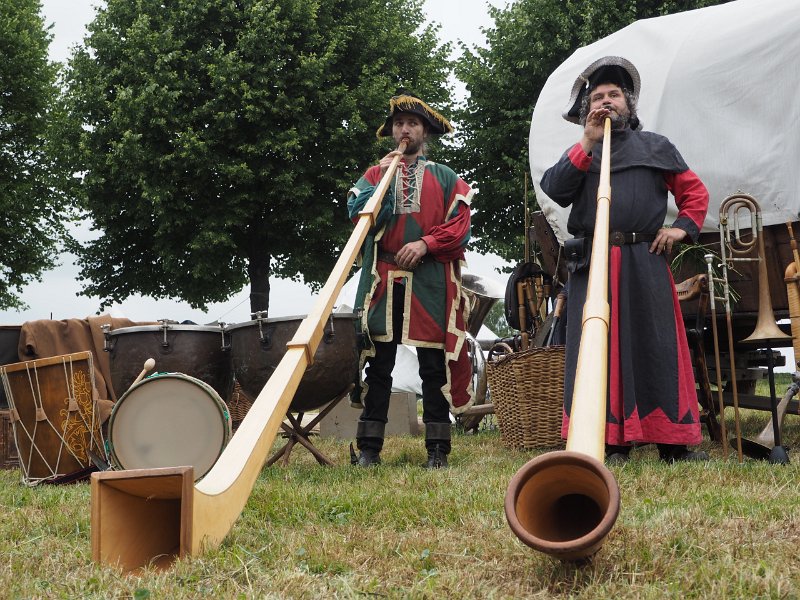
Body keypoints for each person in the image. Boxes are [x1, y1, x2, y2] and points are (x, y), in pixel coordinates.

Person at [539, 56, 710, 463]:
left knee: (656, 344)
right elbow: (556, 190)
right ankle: (609, 441)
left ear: (628, 104)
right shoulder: (581, 153)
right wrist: (587, 141)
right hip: (593, 265)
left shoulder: (657, 147)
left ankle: (672, 442)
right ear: (587, 110)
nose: (606, 101)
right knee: (597, 349)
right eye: (598, 97)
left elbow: (695, 194)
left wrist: (679, 228)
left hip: (644, 261)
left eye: (614, 94)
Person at [346, 93, 475, 469]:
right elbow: (362, 219)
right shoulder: (373, 175)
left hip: (430, 278)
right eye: (399, 123)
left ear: (425, 131)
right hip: (384, 277)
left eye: (413, 124)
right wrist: (383, 181)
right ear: (391, 131)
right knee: (379, 363)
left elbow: (460, 227)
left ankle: (438, 452)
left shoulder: (446, 177)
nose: (405, 129)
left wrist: (425, 243)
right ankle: (369, 450)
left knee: (432, 365)